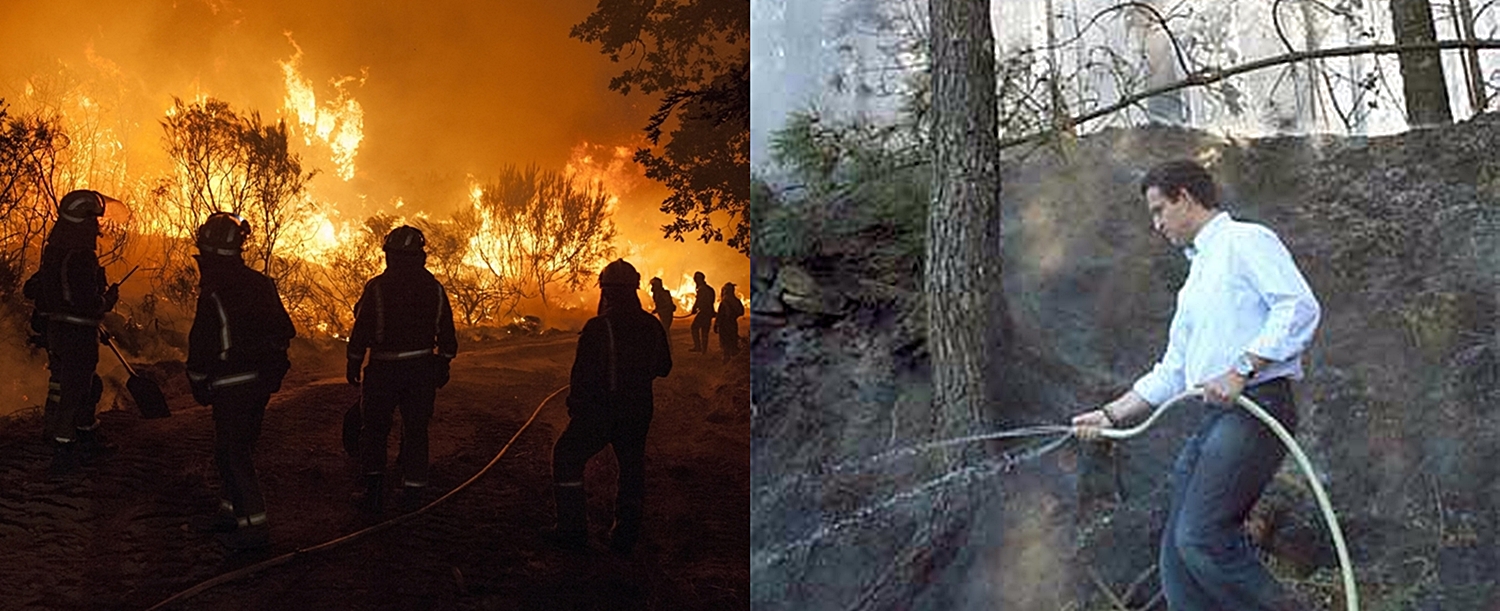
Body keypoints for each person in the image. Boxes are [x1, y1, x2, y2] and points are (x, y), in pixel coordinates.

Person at [1072, 160, 1320, 611]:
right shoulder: (1195, 280)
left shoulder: (1246, 241)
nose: (1157, 224)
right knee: (1178, 563)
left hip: (1256, 409)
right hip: (1215, 419)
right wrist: (1109, 416)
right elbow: (1173, 371)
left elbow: (1298, 307)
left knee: (1202, 539)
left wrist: (1241, 367)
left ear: (1185, 197)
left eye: (1159, 210)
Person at [185, 212, 296, 550]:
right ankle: (231, 511)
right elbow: (284, 331)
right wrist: (272, 372)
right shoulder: (262, 284)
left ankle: (254, 529)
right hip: (259, 383)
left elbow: (202, 343)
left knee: (233, 454)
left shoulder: (214, 293)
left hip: (231, 385)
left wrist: (197, 380)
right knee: (238, 447)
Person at [545, 259, 672, 554]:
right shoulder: (651, 325)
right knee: (631, 468)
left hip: (602, 411)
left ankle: (572, 530)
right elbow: (664, 367)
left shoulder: (598, 327)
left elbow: (582, 375)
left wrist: (577, 407)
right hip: (638, 410)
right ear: (635, 290)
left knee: (566, 457)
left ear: (607, 292)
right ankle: (626, 534)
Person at [346, 225, 458, 514]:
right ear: (420, 256)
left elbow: (361, 329)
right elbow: (446, 332)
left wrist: (354, 361)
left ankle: (373, 492)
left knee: (374, 430)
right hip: (421, 369)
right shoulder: (434, 288)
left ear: (389, 255)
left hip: (383, 369)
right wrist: (443, 362)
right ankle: (413, 492)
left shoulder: (377, 288)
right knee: (416, 430)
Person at [23, 190, 120, 477]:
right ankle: (64, 451)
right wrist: (108, 302)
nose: (98, 228)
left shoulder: (57, 251)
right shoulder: (79, 257)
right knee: (76, 390)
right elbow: (85, 302)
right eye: (94, 221)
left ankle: (84, 435)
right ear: (83, 220)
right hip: (76, 333)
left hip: (60, 331)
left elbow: (47, 293)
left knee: (84, 386)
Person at [714, 282, 744, 362]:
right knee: (733, 340)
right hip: (733, 323)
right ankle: (735, 359)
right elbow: (741, 312)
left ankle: (726, 359)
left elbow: (720, 315)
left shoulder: (724, 302)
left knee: (725, 341)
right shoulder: (736, 301)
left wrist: (716, 324)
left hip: (724, 325)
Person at [688, 271, 716, 353]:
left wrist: (694, 308)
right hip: (709, 312)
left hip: (704, 312)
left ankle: (698, 347)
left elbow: (699, 300)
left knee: (694, 327)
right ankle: (704, 349)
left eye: (696, 279)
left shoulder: (702, 289)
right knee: (705, 330)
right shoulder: (710, 289)